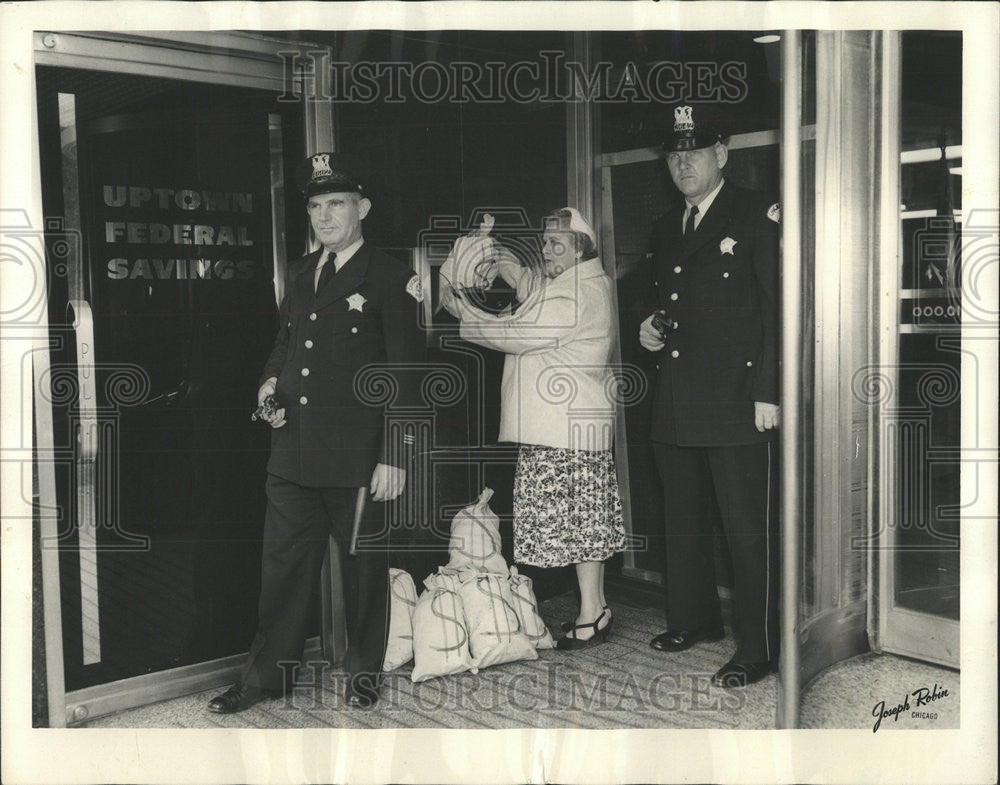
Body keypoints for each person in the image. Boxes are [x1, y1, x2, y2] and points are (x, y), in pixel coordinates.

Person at [208, 152, 425, 712]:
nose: (325, 217)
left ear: (363, 208)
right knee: (281, 573)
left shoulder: (391, 277)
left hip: (358, 457)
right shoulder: (303, 271)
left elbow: (406, 373)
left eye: (336, 204)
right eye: (315, 206)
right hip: (293, 452)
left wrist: (395, 456)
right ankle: (265, 679)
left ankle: (363, 671)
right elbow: (286, 346)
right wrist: (267, 389)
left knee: (362, 572)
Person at [639, 105, 780, 688]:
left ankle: (760, 645)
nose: (683, 164)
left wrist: (769, 390)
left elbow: (778, 307)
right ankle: (695, 619)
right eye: (674, 155)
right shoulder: (667, 226)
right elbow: (670, 306)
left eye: (693, 153)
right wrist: (647, 327)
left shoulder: (755, 214)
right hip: (677, 397)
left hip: (737, 399)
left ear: (721, 154)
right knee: (684, 521)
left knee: (746, 531)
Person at [445, 208, 627, 649]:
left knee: (580, 527)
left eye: (556, 244)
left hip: (561, 432)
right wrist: (500, 258)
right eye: (544, 242)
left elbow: (518, 331)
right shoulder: (575, 283)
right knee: (586, 526)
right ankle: (594, 610)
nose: (546, 250)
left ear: (581, 248)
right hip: (568, 429)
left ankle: (592, 612)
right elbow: (533, 287)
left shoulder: (578, 294)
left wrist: (461, 309)